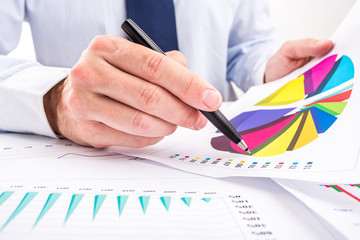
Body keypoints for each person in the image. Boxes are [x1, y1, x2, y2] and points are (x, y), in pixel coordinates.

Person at [0, 0, 333, 148]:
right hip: (90, 153)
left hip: (205, 145)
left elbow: (244, 45)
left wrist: (265, 69)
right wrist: (56, 100)